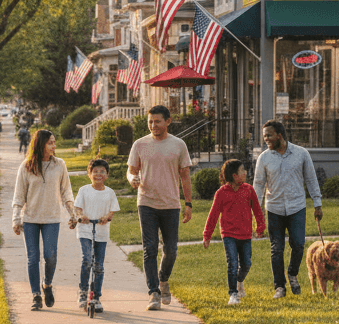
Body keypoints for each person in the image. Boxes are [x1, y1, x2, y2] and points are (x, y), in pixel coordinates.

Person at [127, 105, 193, 311]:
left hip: (171, 204)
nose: (153, 125)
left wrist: (188, 203)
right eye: (150, 122)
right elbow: (131, 171)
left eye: (157, 121)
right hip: (146, 202)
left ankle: (163, 279)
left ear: (168, 121)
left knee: (171, 249)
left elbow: (185, 176)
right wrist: (132, 179)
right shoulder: (140, 144)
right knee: (150, 248)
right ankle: (153, 292)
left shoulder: (178, 145)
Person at [252, 120, 323, 299]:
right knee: (276, 249)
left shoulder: (301, 154)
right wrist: (256, 211)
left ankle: (292, 273)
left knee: (298, 245)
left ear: (279, 135)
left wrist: (317, 204)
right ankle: (279, 287)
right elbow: (258, 185)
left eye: (269, 135)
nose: (266, 139)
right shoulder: (264, 158)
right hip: (274, 208)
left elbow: (311, 179)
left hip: (297, 207)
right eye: (264, 136)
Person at [11, 129, 75, 311]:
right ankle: (36, 295)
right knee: (33, 258)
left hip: (52, 218)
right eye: (50, 143)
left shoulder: (59, 165)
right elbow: (19, 196)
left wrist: (72, 213)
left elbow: (66, 191)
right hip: (30, 218)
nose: (54, 146)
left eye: (54, 142)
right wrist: (16, 218)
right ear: (41, 144)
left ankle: (47, 284)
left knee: (50, 256)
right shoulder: (26, 166)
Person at [203, 159, 265, 306]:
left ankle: (239, 281)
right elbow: (213, 215)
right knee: (232, 263)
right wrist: (207, 235)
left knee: (246, 264)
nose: (245, 173)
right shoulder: (221, 193)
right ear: (234, 175)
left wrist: (260, 227)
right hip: (228, 234)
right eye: (242, 170)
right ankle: (233, 294)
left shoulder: (249, 190)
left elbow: (257, 210)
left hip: (245, 234)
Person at [73, 158, 120, 313]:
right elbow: (77, 208)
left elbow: (112, 210)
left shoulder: (110, 192)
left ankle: (96, 296)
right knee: (87, 260)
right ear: (89, 174)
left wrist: (107, 217)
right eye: (95, 171)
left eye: (102, 171)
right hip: (85, 230)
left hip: (101, 231)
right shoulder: (84, 190)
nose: (98, 174)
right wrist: (81, 216)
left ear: (107, 175)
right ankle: (83, 291)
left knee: (99, 265)